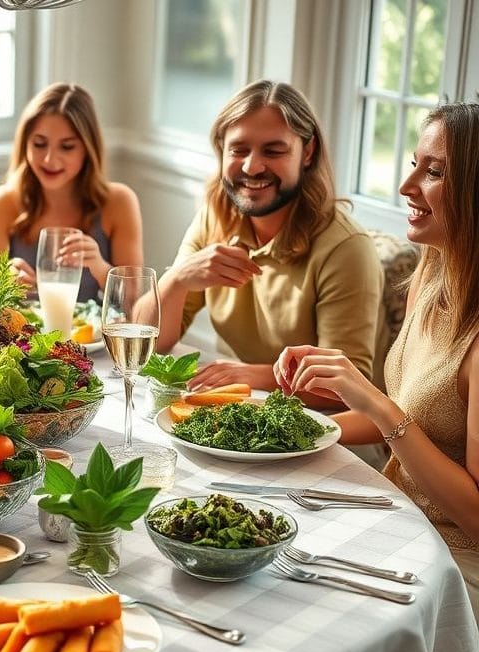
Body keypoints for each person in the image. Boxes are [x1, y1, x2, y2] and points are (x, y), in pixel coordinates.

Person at [275, 102, 479, 616]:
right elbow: (418, 416)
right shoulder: (430, 278)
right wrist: (288, 434)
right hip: (402, 520)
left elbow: (477, 518)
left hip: (456, 566)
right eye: (414, 163)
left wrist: (374, 402)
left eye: (433, 172)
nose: (407, 186)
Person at [155, 80, 386, 404]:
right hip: (247, 408)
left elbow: (346, 387)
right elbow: (148, 343)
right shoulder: (217, 215)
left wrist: (251, 374)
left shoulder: (346, 248)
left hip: (330, 434)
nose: (252, 166)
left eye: (273, 151)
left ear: (308, 152)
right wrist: (176, 280)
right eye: (238, 150)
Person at [0, 82, 143, 302]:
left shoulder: (119, 202)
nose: (49, 160)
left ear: (88, 149)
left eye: (67, 147)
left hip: (91, 336)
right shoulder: (3, 202)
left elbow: (135, 306)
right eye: (39, 143)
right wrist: (1, 286)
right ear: (25, 144)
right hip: (24, 336)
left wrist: (101, 269)